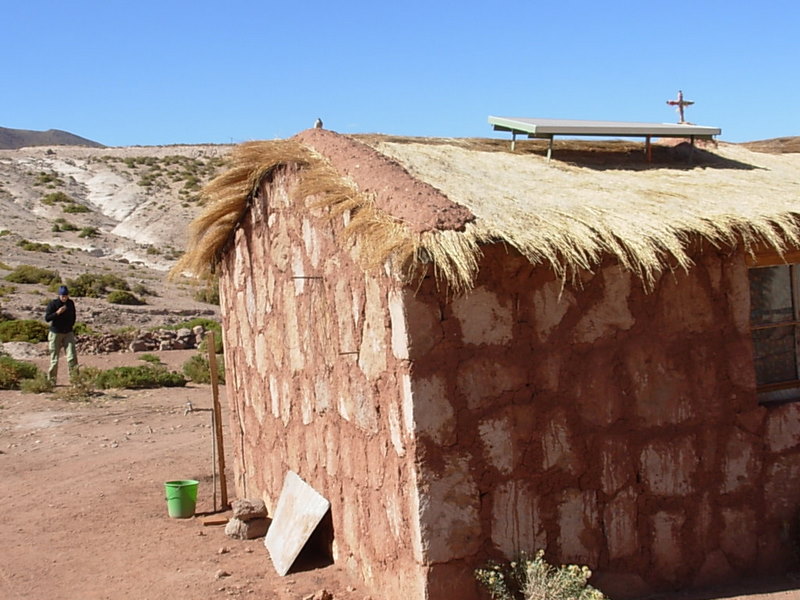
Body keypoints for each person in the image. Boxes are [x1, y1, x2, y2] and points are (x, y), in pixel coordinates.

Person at [45, 285, 78, 383]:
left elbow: (73, 316)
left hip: (68, 332)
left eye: (66, 295)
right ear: (59, 295)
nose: (64, 297)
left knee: (72, 356)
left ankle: (75, 380)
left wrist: (70, 326)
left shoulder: (70, 303)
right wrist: (57, 313)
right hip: (55, 333)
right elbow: (47, 318)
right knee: (54, 358)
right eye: (62, 295)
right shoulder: (53, 304)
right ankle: (51, 381)